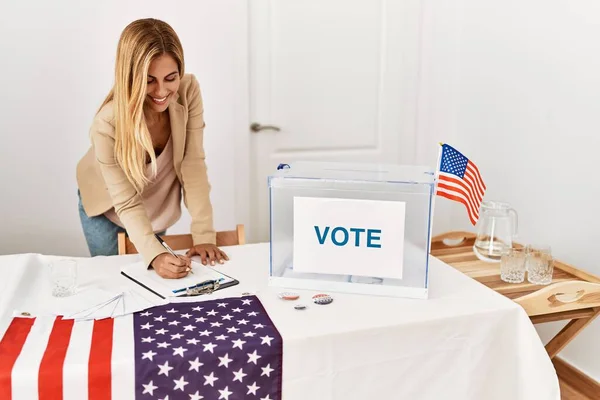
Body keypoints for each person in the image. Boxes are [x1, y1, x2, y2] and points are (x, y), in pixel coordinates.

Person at [76, 18, 229, 278]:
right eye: (149, 81)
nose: (161, 91)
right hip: (108, 205)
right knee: (118, 279)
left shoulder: (188, 91)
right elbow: (125, 200)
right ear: (130, 77)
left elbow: (193, 164)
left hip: (156, 203)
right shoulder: (107, 123)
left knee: (157, 281)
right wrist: (155, 254)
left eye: (170, 78)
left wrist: (203, 234)